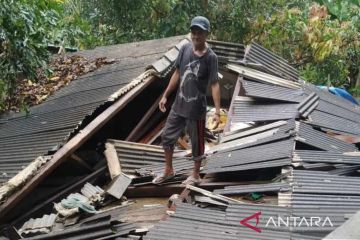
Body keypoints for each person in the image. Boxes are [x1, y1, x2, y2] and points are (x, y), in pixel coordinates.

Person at [152, 16, 221, 185]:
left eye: (200, 33)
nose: (196, 36)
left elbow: (214, 84)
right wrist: (166, 95)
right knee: (167, 137)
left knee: (196, 143)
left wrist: (218, 111)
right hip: (178, 105)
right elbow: (177, 73)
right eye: (194, 32)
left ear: (206, 34)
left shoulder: (211, 58)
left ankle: (195, 175)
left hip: (196, 110)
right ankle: (168, 171)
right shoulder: (184, 49)